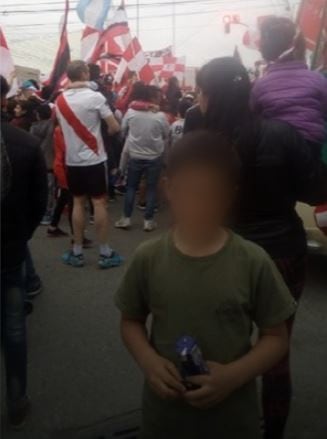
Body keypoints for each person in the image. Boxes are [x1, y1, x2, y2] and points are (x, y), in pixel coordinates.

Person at [115, 131, 297, 439]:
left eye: (211, 194)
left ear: (229, 195)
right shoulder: (149, 257)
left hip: (232, 419)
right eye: (189, 192)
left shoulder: (252, 260)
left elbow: (276, 338)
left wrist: (232, 376)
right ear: (169, 188)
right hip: (164, 417)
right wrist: (148, 362)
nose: (199, 204)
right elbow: (130, 321)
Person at [192, 57, 327, 439]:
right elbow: (316, 191)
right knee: (275, 349)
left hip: (218, 254)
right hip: (282, 252)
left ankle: (218, 422)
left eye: (201, 91)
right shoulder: (283, 133)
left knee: (218, 346)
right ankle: (273, 431)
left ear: (211, 96)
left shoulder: (200, 143)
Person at [1, 75, 48, 428]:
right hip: (10, 249)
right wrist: (20, 236)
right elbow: (38, 205)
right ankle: (16, 400)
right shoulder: (25, 143)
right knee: (14, 327)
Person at [55, 60, 122, 269]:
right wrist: (101, 136)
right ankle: (105, 252)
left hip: (72, 161)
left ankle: (76, 252)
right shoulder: (95, 97)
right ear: (84, 74)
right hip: (94, 159)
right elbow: (115, 127)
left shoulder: (60, 100)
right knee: (99, 203)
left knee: (77, 203)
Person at [251, 16, 327, 152]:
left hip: (274, 149)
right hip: (311, 146)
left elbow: (255, 114)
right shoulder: (318, 79)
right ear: (300, 46)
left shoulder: (260, 86)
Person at [115, 84, 169, 232]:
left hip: (135, 155)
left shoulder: (131, 112)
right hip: (154, 157)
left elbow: (122, 131)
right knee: (151, 189)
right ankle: (148, 221)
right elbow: (166, 134)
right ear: (151, 97)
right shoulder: (160, 116)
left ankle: (126, 218)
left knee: (131, 187)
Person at [30, 104, 55, 225]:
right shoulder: (54, 127)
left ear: (38, 115)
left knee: (38, 188)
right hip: (51, 161)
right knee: (51, 188)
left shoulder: (34, 128)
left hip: (37, 161)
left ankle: (38, 211)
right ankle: (48, 212)